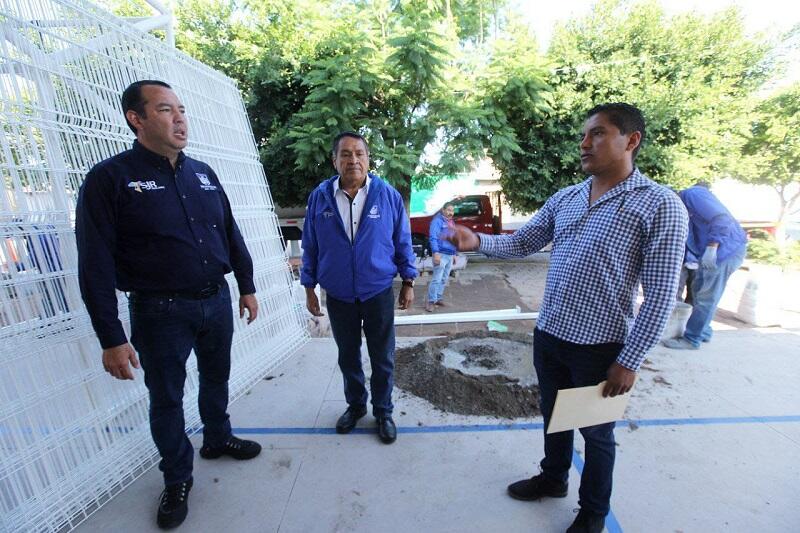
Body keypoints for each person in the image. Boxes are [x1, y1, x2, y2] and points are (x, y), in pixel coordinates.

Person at [447, 103, 688, 533]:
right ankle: (553, 478)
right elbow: (522, 243)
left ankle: (593, 510)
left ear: (630, 140)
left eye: (597, 133)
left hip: (602, 348)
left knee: (596, 435)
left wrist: (629, 361)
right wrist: (475, 240)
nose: (584, 143)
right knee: (554, 414)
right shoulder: (568, 197)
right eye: (584, 134)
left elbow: (660, 296)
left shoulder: (659, 205)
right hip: (551, 334)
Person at [76, 80, 262, 530]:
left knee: (217, 377)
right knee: (167, 399)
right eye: (165, 110)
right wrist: (111, 337)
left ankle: (217, 438)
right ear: (135, 119)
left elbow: (229, 232)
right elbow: (94, 262)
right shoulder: (110, 178)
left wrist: (247, 284)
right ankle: (177, 476)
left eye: (181, 109)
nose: (179, 118)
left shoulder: (202, 173)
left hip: (215, 300)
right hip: (160, 311)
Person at [301, 131, 417, 445]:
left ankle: (383, 411)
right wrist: (309, 287)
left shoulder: (387, 195)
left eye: (359, 154)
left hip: (377, 291)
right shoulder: (320, 197)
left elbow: (402, 241)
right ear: (334, 160)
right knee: (348, 356)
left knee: (383, 356)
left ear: (368, 159)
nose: (353, 160)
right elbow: (310, 245)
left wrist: (408, 281)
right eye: (346, 154)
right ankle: (355, 406)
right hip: (338, 294)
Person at [663, 183, 747, 350]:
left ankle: (692, 339)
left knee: (706, 296)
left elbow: (722, 218)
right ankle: (704, 331)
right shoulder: (684, 211)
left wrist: (712, 246)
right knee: (699, 290)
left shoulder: (693, 195)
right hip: (712, 252)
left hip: (724, 250)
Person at [425, 201, 457, 312]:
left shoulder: (451, 222)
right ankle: (430, 301)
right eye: (449, 210)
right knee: (437, 279)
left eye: (452, 211)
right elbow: (433, 238)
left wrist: (455, 254)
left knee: (444, 279)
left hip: (449, 254)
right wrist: (436, 253)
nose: (451, 213)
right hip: (441, 254)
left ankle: (438, 298)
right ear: (443, 210)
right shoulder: (437, 221)